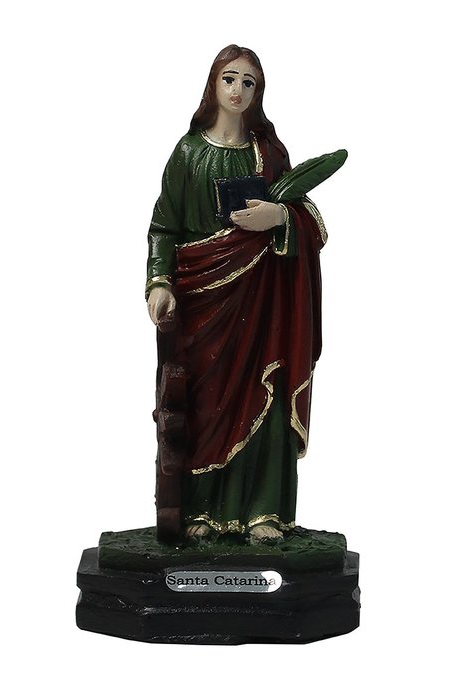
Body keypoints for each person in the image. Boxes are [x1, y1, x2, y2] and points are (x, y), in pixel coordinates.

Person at [146, 45, 328, 545]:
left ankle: (263, 511)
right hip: (203, 302)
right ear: (213, 84)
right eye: (230, 78)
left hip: (264, 300)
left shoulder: (269, 153)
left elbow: (306, 215)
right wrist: (160, 282)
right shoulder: (188, 152)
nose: (238, 90)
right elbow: (164, 227)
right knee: (205, 404)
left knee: (264, 393)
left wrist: (279, 217)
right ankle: (202, 510)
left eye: (249, 82)